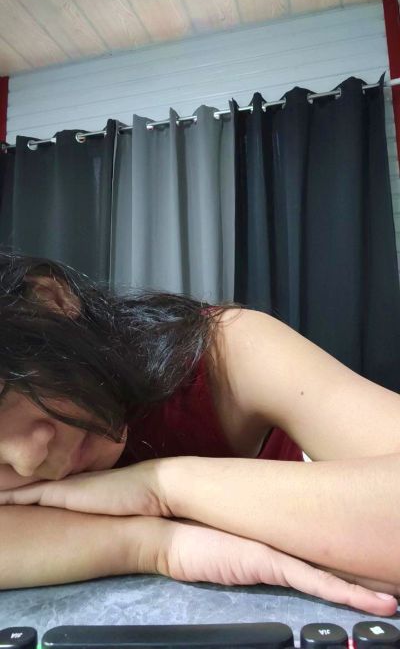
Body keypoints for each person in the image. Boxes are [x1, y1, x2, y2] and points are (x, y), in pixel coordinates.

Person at [0, 251, 399, 617]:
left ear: (49, 300)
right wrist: (152, 544)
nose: (26, 460)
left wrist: (163, 487)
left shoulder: (227, 351)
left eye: (3, 395)